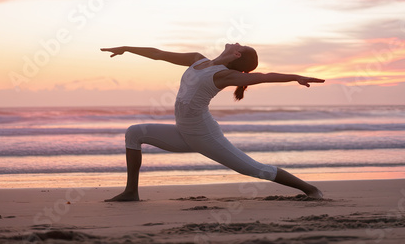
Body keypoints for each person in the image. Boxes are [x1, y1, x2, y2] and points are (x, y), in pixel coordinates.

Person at [100, 43, 325, 201]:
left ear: (236, 56)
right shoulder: (197, 59)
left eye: (239, 45)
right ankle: (131, 192)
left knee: (255, 170)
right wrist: (127, 48)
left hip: (205, 136)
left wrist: (296, 77)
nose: (235, 42)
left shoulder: (223, 76)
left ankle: (311, 189)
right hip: (184, 133)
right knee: (134, 133)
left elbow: (265, 76)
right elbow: (159, 54)